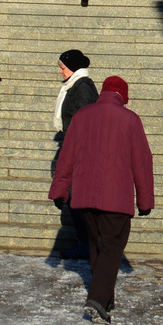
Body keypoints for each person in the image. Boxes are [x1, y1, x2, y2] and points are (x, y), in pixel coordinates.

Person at [49, 75, 155, 325]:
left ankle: (105, 299)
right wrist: (145, 200)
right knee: (111, 249)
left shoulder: (82, 117)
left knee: (98, 247)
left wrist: (59, 190)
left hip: (84, 198)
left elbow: (67, 157)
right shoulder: (130, 120)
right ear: (123, 96)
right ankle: (97, 299)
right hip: (116, 199)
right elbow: (142, 162)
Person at [52, 47, 98, 255]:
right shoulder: (75, 85)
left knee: (78, 200)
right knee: (75, 200)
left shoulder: (83, 88)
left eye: (62, 68)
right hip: (76, 150)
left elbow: (85, 121)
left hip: (82, 154)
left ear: (72, 68)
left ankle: (86, 243)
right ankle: (84, 242)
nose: (60, 72)